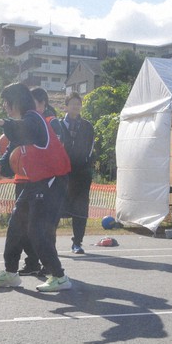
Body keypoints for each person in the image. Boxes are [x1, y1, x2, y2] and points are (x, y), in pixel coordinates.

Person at [0, 83, 72, 292]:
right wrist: (1, 166)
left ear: (17, 101)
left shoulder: (34, 119)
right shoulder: (22, 123)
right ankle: (11, 273)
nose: (4, 106)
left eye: (6, 102)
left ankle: (59, 276)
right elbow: (14, 147)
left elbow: (24, 131)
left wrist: (2, 123)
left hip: (53, 181)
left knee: (36, 229)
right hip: (35, 181)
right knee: (16, 225)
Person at [59, 92, 95, 255]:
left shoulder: (87, 126)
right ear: (65, 106)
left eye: (78, 104)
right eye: (72, 103)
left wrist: (84, 166)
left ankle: (77, 243)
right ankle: (49, 242)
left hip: (81, 174)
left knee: (80, 209)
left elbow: (90, 150)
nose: (76, 106)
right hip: (61, 174)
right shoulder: (57, 125)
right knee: (55, 207)